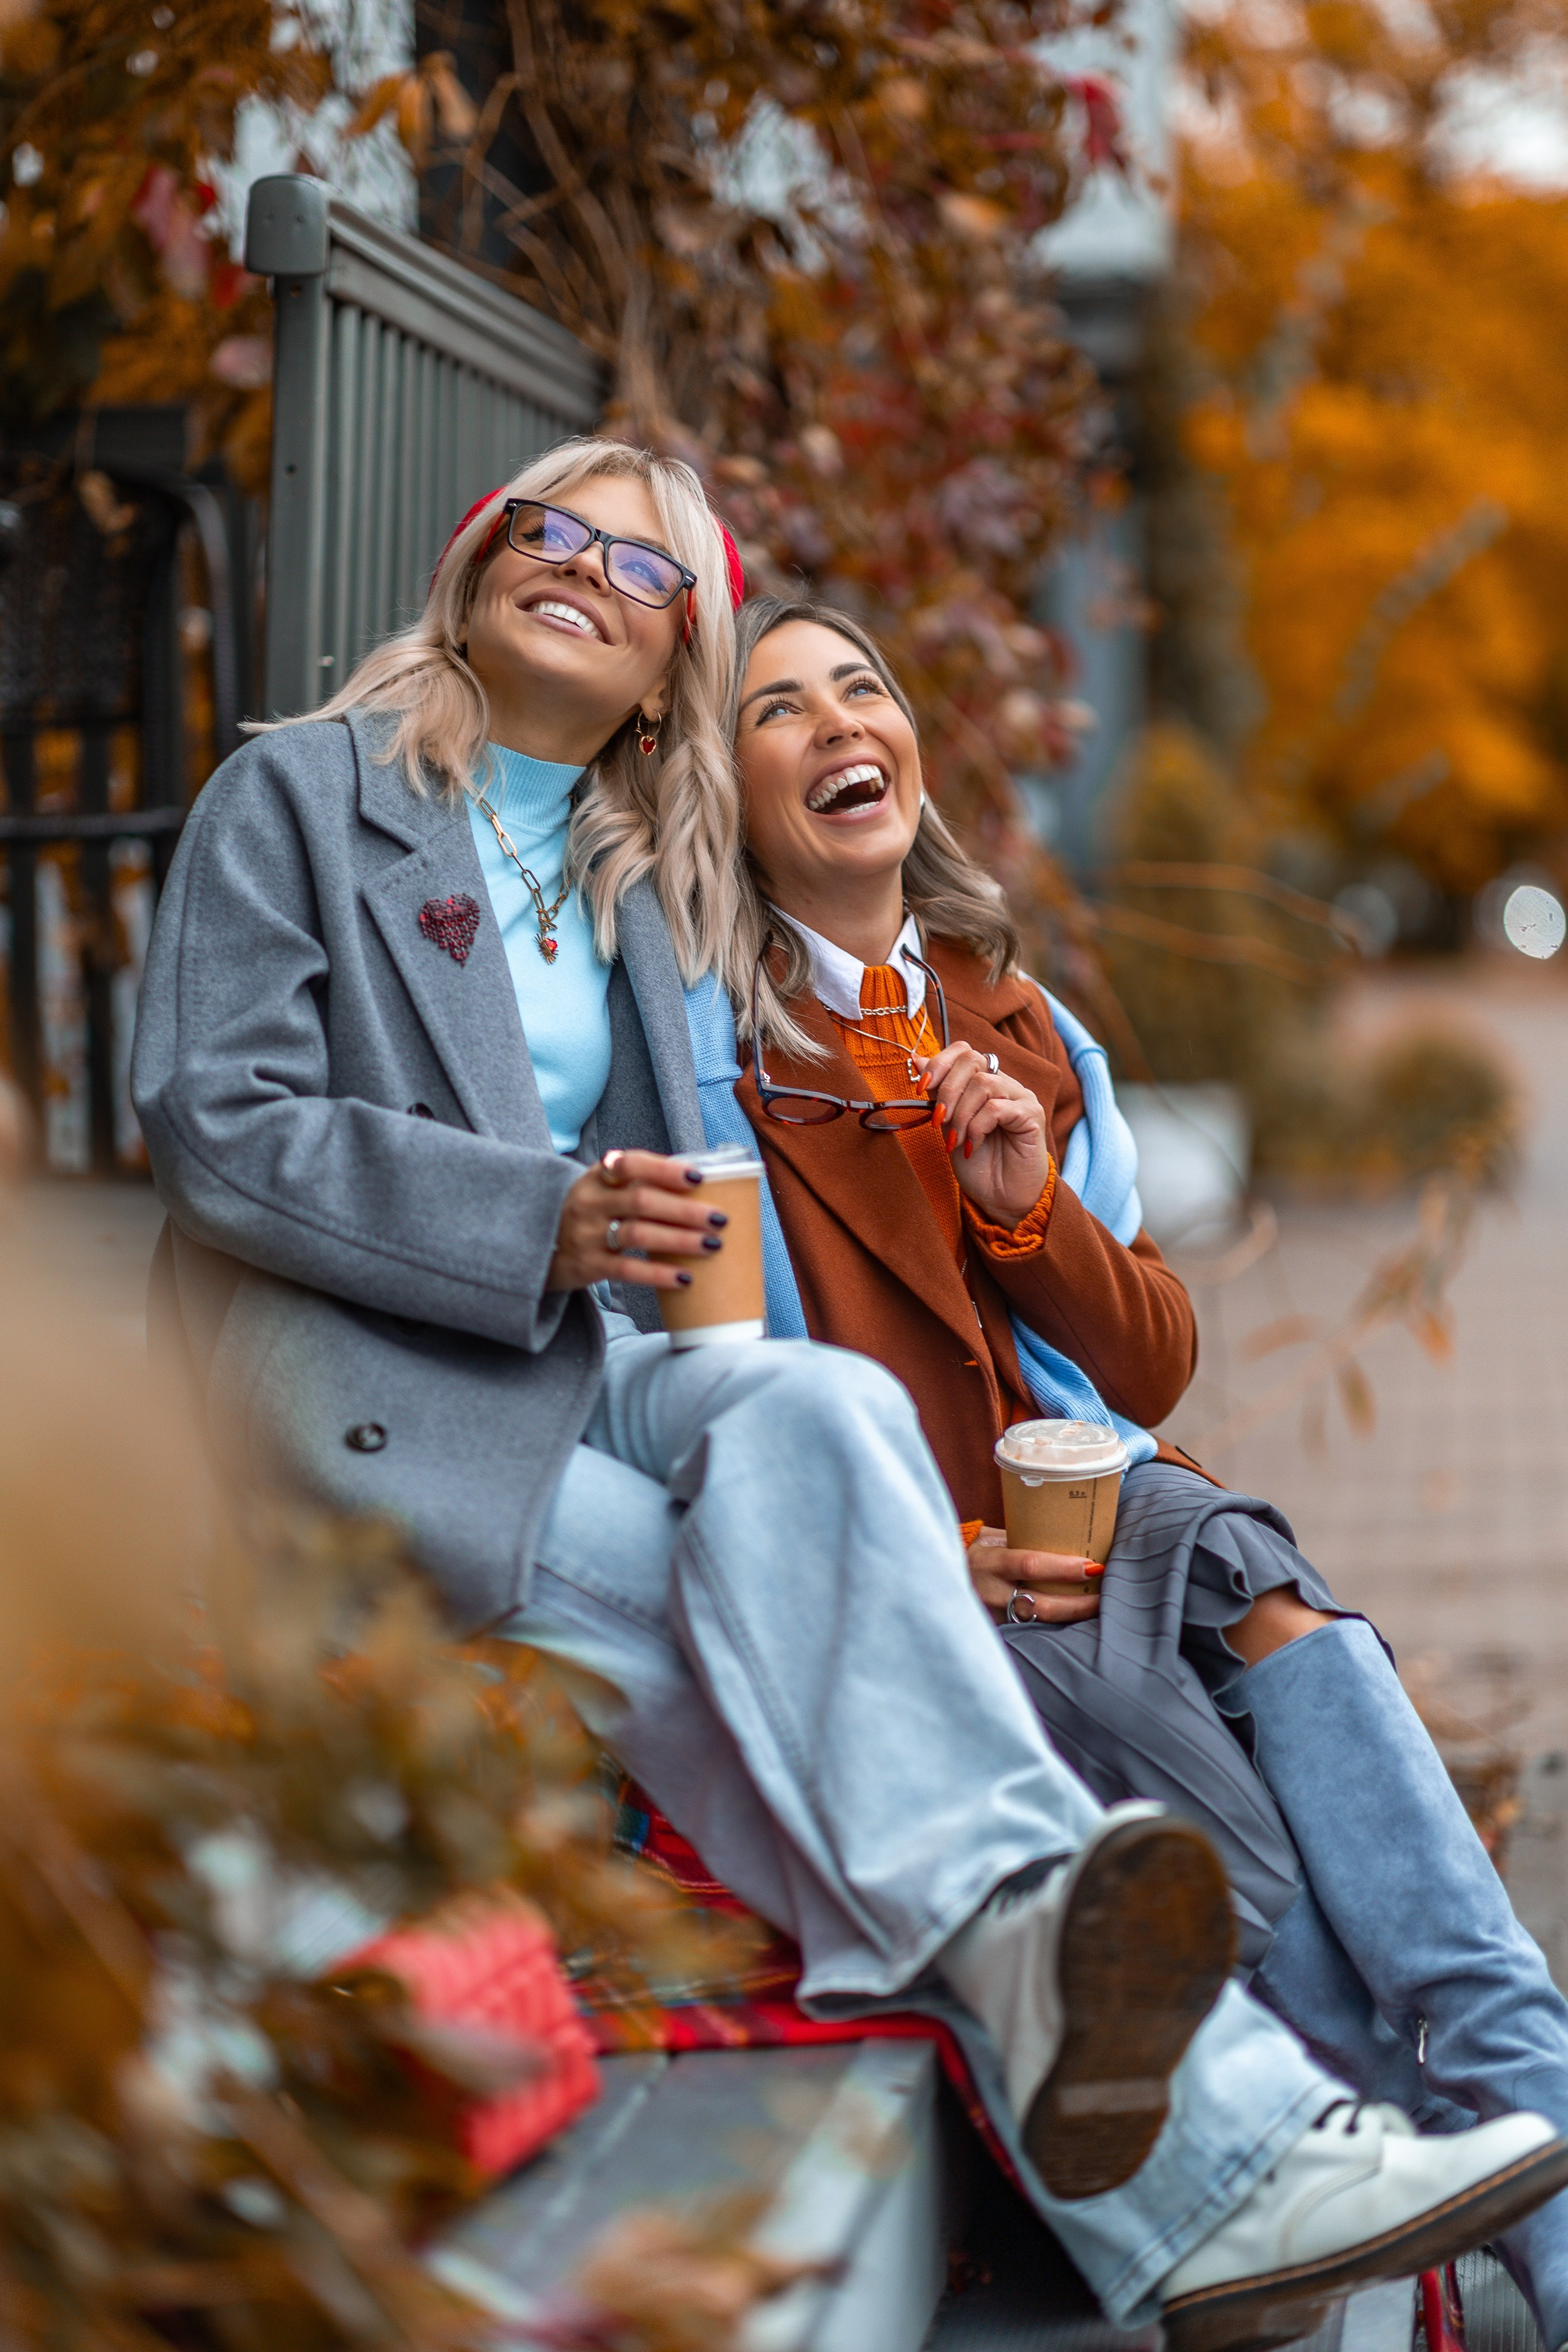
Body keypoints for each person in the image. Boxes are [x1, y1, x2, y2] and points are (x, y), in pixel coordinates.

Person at [130, 443, 1567, 2352]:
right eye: (545, 530)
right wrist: (543, 1217)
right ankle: (1236, 2163)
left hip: (595, 1364)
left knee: (826, 1432)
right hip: (369, 1374)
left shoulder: (646, 888)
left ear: (665, 671)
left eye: (638, 567)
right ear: (473, 569)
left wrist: (831, 1442)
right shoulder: (304, 795)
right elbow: (210, 1128)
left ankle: (1267, 2161)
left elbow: (731, 1250)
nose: (579, 567)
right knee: (823, 1649)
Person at [696, 589, 1568, 2352]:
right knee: (1238, 1730)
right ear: (722, 792)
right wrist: (937, 1547)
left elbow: (1153, 1359)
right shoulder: (718, 1064)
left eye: (863, 686)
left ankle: (1474, 2159)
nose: (840, 721)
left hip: (1117, 1523)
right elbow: (739, 1407)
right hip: (931, 1574)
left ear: (914, 756)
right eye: (778, 709)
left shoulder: (1018, 1027)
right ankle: (1451, 2194)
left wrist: (1025, 1209)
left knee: (1261, 1598)